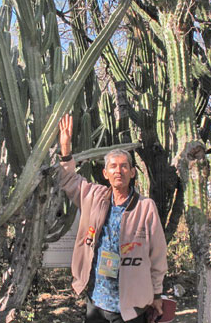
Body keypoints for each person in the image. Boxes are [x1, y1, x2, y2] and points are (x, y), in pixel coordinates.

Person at [58, 114, 168, 323]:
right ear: (105, 173)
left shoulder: (145, 207)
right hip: (97, 301)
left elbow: (158, 255)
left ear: (133, 172)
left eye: (124, 166)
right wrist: (65, 149)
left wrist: (156, 294)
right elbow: (69, 180)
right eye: (113, 166)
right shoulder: (94, 196)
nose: (119, 170)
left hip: (132, 305)